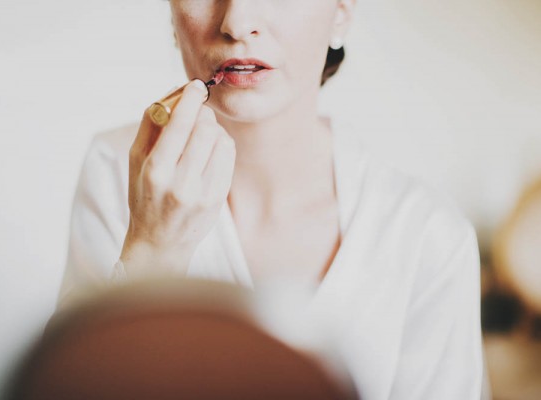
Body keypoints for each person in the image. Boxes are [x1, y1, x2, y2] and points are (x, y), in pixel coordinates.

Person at [58, 1, 485, 399]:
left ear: (341, 9)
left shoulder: (429, 238)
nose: (236, 22)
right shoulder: (118, 170)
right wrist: (151, 251)